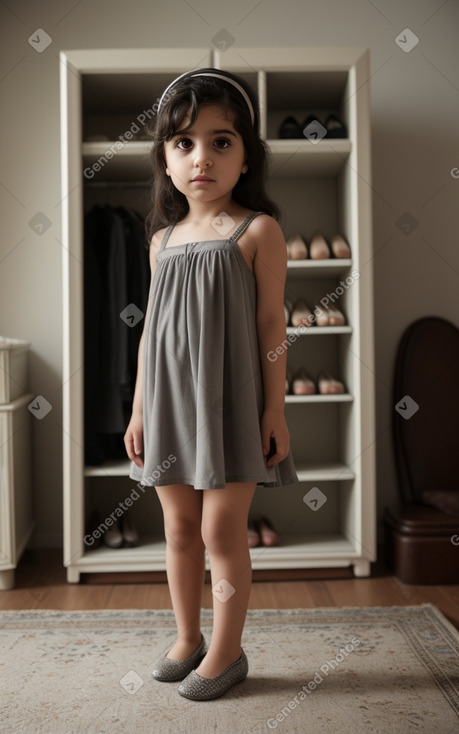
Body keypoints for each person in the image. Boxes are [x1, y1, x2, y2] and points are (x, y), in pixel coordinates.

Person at [124, 68, 298, 700]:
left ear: (246, 155)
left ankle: (226, 650)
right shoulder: (160, 241)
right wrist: (140, 409)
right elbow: (150, 335)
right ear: (167, 161)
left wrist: (275, 407)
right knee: (178, 530)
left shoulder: (257, 232)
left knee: (221, 531)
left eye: (221, 141)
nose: (202, 157)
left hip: (230, 406)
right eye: (184, 144)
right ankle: (187, 637)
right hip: (169, 405)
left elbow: (271, 324)